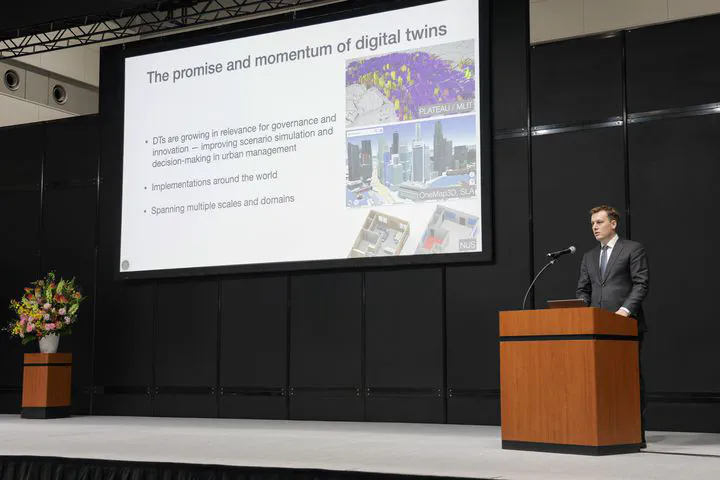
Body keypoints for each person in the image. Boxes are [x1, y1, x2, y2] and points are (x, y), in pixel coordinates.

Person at [576, 204, 649, 445]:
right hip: (596, 329)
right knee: (598, 380)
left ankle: (634, 434)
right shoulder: (589, 256)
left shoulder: (632, 249)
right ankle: (604, 432)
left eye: (599, 222)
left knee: (628, 380)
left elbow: (641, 283)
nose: (595, 227)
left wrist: (624, 311)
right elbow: (583, 290)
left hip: (625, 326)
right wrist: (584, 311)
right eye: (592, 224)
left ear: (613, 223)